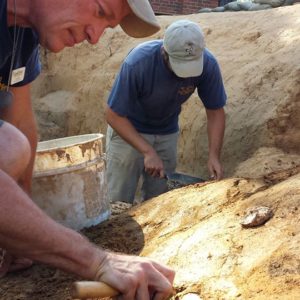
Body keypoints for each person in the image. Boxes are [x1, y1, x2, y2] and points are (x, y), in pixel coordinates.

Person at [0, 0, 175, 298]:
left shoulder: (22, 34)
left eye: (106, 26)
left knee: (12, 145)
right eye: (100, 11)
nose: (94, 37)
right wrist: (99, 261)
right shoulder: (140, 65)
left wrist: (18, 228)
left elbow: (20, 120)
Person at [106, 19, 227, 204]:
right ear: (165, 52)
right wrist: (147, 151)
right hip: (128, 130)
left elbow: (216, 111)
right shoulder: (138, 63)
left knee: (160, 200)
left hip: (166, 131)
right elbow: (113, 114)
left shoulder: (208, 64)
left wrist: (214, 156)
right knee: (118, 201)